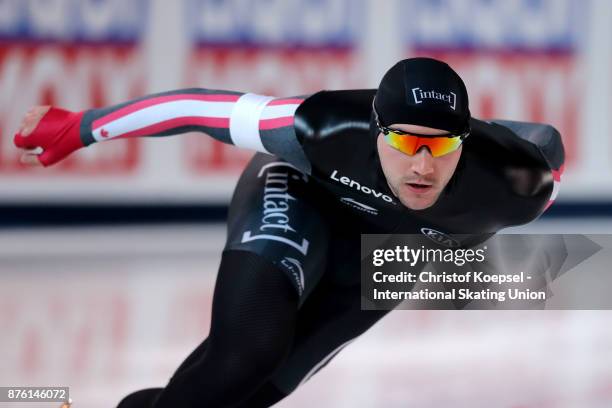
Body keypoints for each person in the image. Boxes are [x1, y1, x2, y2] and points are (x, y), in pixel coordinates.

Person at [14, 58, 564, 407]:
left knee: (252, 395)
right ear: (374, 132)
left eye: (440, 146)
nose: (421, 166)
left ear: (464, 142)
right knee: (249, 352)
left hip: (390, 253)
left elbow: (544, 145)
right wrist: (81, 127)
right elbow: (195, 108)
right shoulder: (322, 128)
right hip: (302, 197)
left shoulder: (518, 187)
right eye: (402, 142)